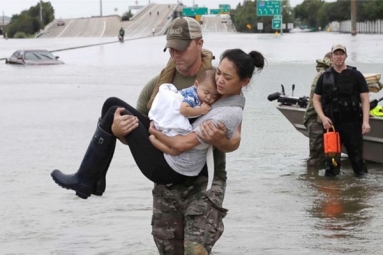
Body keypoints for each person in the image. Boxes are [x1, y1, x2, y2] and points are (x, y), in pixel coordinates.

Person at [313, 44, 370, 177]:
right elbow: (316, 100)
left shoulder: (356, 75)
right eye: (336, 54)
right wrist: (322, 117)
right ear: (331, 57)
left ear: (346, 56)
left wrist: (366, 121)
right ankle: (332, 194)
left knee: (358, 162)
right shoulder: (324, 77)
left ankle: (361, 192)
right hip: (331, 125)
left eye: (341, 54)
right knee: (331, 163)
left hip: (353, 123)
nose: (339, 57)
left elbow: (365, 99)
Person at [148, 68, 219, 137]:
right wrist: (200, 111)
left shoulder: (200, 95)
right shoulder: (192, 95)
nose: (209, 97)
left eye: (214, 97)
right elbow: (183, 109)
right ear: (196, 85)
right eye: (206, 92)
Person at [303, 52, 332, 166]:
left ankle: (320, 181)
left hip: (325, 118)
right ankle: (313, 180)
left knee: (328, 154)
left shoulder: (331, 74)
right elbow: (316, 99)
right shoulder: (323, 75)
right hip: (316, 119)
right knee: (316, 157)